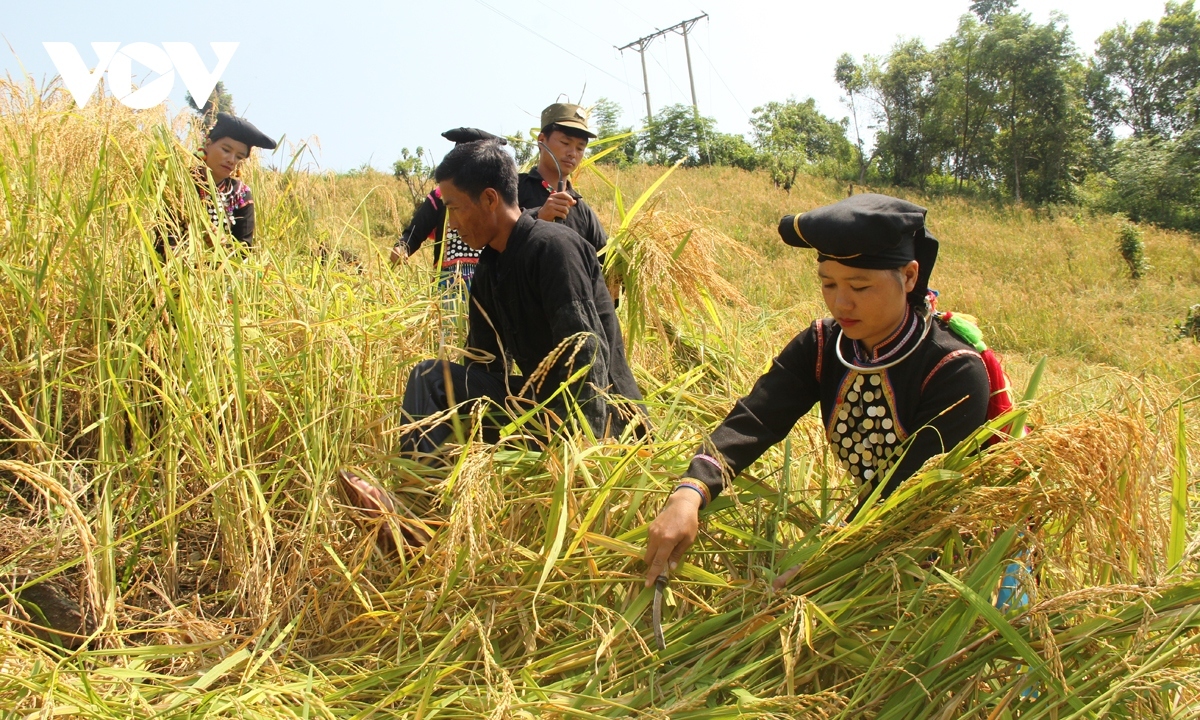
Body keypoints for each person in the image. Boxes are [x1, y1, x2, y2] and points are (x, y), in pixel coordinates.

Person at [642, 193, 991, 586]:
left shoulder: (953, 369)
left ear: (909, 276)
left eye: (860, 286)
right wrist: (691, 491)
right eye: (828, 283)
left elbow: (910, 491)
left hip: (952, 553)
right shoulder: (825, 345)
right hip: (868, 537)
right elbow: (756, 419)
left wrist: (826, 564)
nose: (841, 302)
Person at [399, 140, 645, 454]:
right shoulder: (489, 266)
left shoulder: (553, 248)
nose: (453, 225)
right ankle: (420, 490)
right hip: (541, 408)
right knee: (433, 380)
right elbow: (483, 365)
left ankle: (416, 497)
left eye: (454, 209)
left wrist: (588, 456)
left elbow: (586, 357)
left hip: (604, 421)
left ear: (489, 199)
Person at [390, 127, 508, 295]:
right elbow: (416, 231)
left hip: (489, 280)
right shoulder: (440, 198)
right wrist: (402, 247)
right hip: (450, 284)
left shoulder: (495, 198)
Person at [161, 112, 276, 252]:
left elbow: (245, 248)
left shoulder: (240, 194)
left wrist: (224, 245)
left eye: (239, 157)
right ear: (208, 144)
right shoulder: (179, 182)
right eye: (226, 150)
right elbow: (163, 237)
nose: (231, 160)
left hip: (218, 271)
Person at [517, 103, 607, 255]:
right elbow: (495, 243)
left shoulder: (582, 210)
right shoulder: (513, 189)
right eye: (565, 143)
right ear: (541, 140)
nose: (573, 153)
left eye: (580, 148)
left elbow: (604, 259)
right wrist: (538, 218)